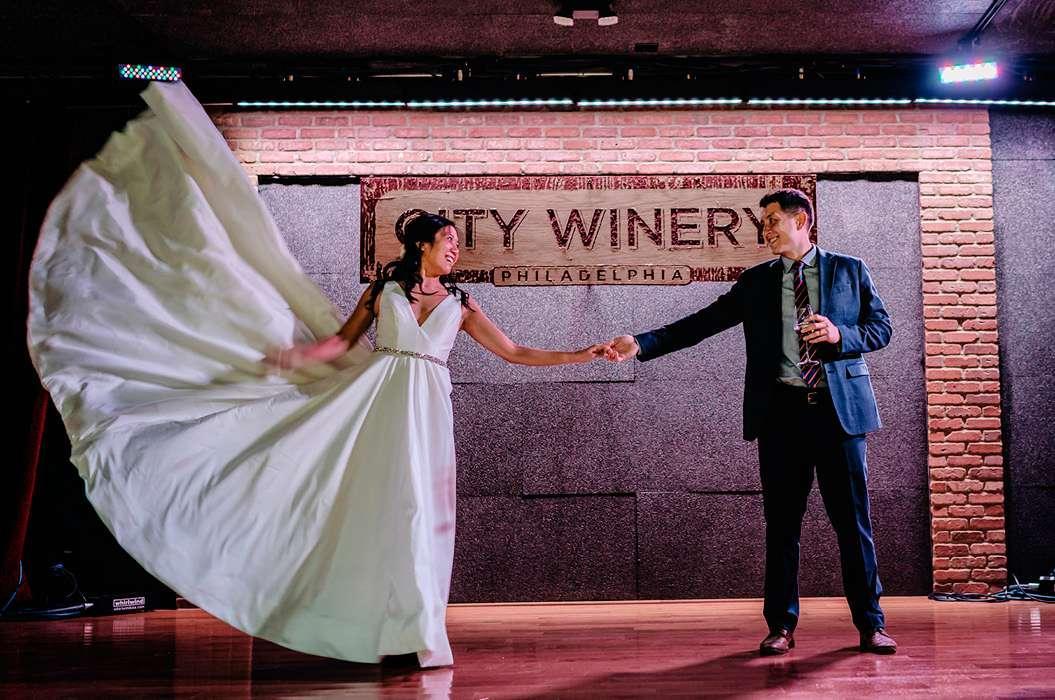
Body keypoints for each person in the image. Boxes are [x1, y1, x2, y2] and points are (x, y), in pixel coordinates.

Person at [27, 81, 602, 668]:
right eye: (448, 240)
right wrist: (294, 359)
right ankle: (369, 622)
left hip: (428, 408)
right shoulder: (385, 290)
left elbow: (515, 352)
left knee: (422, 515)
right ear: (422, 244)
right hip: (379, 403)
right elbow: (342, 342)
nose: (456, 248)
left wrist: (583, 354)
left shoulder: (460, 302)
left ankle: (420, 629)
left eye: (457, 242)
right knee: (379, 507)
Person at [603, 188, 897, 656]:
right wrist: (642, 342)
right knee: (782, 526)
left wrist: (840, 334)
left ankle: (871, 625)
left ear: (801, 220)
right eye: (763, 223)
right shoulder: (757, 282)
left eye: (772, 220)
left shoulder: (849, 270)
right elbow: (701, 323)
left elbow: (881, 328)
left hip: (839, 415)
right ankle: (780, 626)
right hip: (781, 417)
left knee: (853, 525)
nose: (765, 231)